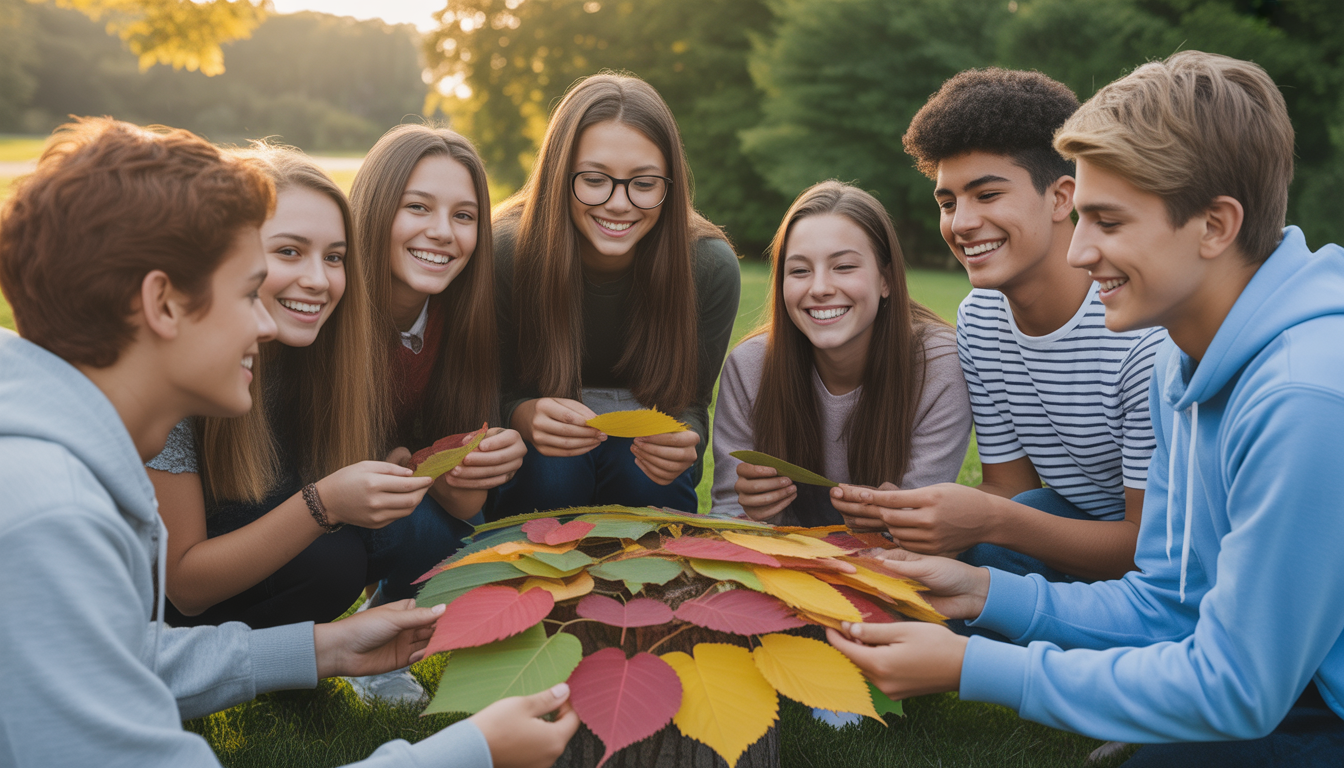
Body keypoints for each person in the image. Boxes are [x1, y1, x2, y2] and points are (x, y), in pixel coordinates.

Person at [0, 117, 578, 768]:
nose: (264, 320)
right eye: (250, 291)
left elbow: (126, 660)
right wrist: (473, 752)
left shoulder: (56, 468)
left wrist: (324, 648)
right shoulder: (52, 519)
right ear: (162, 303)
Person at [829, 52, 1344, 767]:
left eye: (1107, 221)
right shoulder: (1183, 360)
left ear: (1214, 225)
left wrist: (973, 666)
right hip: (1281, 679)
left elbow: (1239, 689)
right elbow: (1167, 603)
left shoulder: (1303, 395)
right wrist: (981, 589)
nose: (1078, 251)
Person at [835, 68, 1166, 583]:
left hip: (1160, 571)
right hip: (1066, 532)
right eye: (948, 203)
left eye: (987, 195)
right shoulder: (981, 317)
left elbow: (1150, 548)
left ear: (1061, 198)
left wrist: (992, 520)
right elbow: (1011, 490)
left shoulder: (1139, 335)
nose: (961, 223)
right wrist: (911, 511)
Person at [147, 144, 431, 631]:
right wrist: (325, 503)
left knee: (385, 537)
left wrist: (388, 471)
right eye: (288, 252)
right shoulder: (175, 374)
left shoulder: (324, 357)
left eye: (334, 257)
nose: (318, 280)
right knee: (330, 558)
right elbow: (184, 588)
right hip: (153, 609)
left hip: (255, 555)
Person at [489, 72, 741, 518]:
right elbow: (483, 394)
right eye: (594, 179)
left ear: (670, 186)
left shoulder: (708, 267)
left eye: (643, 184)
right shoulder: (505, 254)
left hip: (641, 461)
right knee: (554, 470)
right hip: (539, 464)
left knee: (641, 474)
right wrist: (521, 415)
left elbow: (690, 402)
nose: (619, 204)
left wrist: (686, 439)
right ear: (558, 175)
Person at [347, 124, 528, 702]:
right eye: (418, 207)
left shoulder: (466, 321)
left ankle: (379, 637)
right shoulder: (331, 303)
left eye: (464, 216)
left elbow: (464, 504)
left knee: (456, 537)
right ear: (375, 209)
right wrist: (400, 461)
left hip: (396, 501)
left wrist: (481, 459)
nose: (443, 232)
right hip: (311, 507)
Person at [712, 180, 972, 526]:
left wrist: (893, 522)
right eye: (799, 271)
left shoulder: (938, 367)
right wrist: (760, 514)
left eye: (844, 267)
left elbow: (921, 528)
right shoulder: (750, 367)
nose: (820, 288)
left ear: (886, 279)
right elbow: (728, 514)